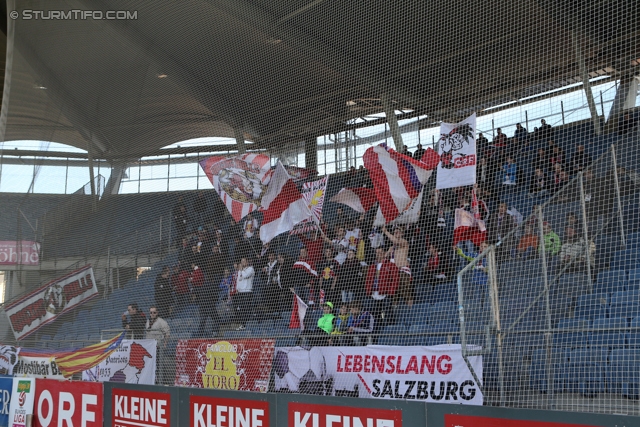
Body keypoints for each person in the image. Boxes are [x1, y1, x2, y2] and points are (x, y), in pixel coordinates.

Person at [382, 225, 413, 307]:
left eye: (398, 231)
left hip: (403, 269)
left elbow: (396, 241)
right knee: (394, 293)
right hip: (394, 272)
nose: (395, 232)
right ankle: (396, 311)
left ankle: (411, 309)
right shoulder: (391, 248)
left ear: (402, 233)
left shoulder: (404, 242)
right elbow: (384, 258)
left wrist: (386, 232)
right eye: (394, 232)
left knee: (405, 290)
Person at [145, 306, 170, 385]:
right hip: (150, 348)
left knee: (159, 365)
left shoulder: (161, 322)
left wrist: (165, 344)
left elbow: (167, 333)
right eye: (151, 312)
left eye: (154, 312)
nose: (152, 314)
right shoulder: (148, 322)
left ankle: (161, 380)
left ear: (157, 313)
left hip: (158, 347)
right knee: (151, 365)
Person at [233, 257, 255, 330]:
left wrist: (241, 270)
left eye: (244, 261)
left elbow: (245, 276)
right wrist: (237, 288)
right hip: (240, 292)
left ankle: (248, 323)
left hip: (247, 291)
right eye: (241, 261)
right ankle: (243, 324)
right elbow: (238, 280)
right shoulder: (240, 271)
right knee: (241, 309)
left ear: (247, 262)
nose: (242, 263)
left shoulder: (250, 269)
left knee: (246, 307)